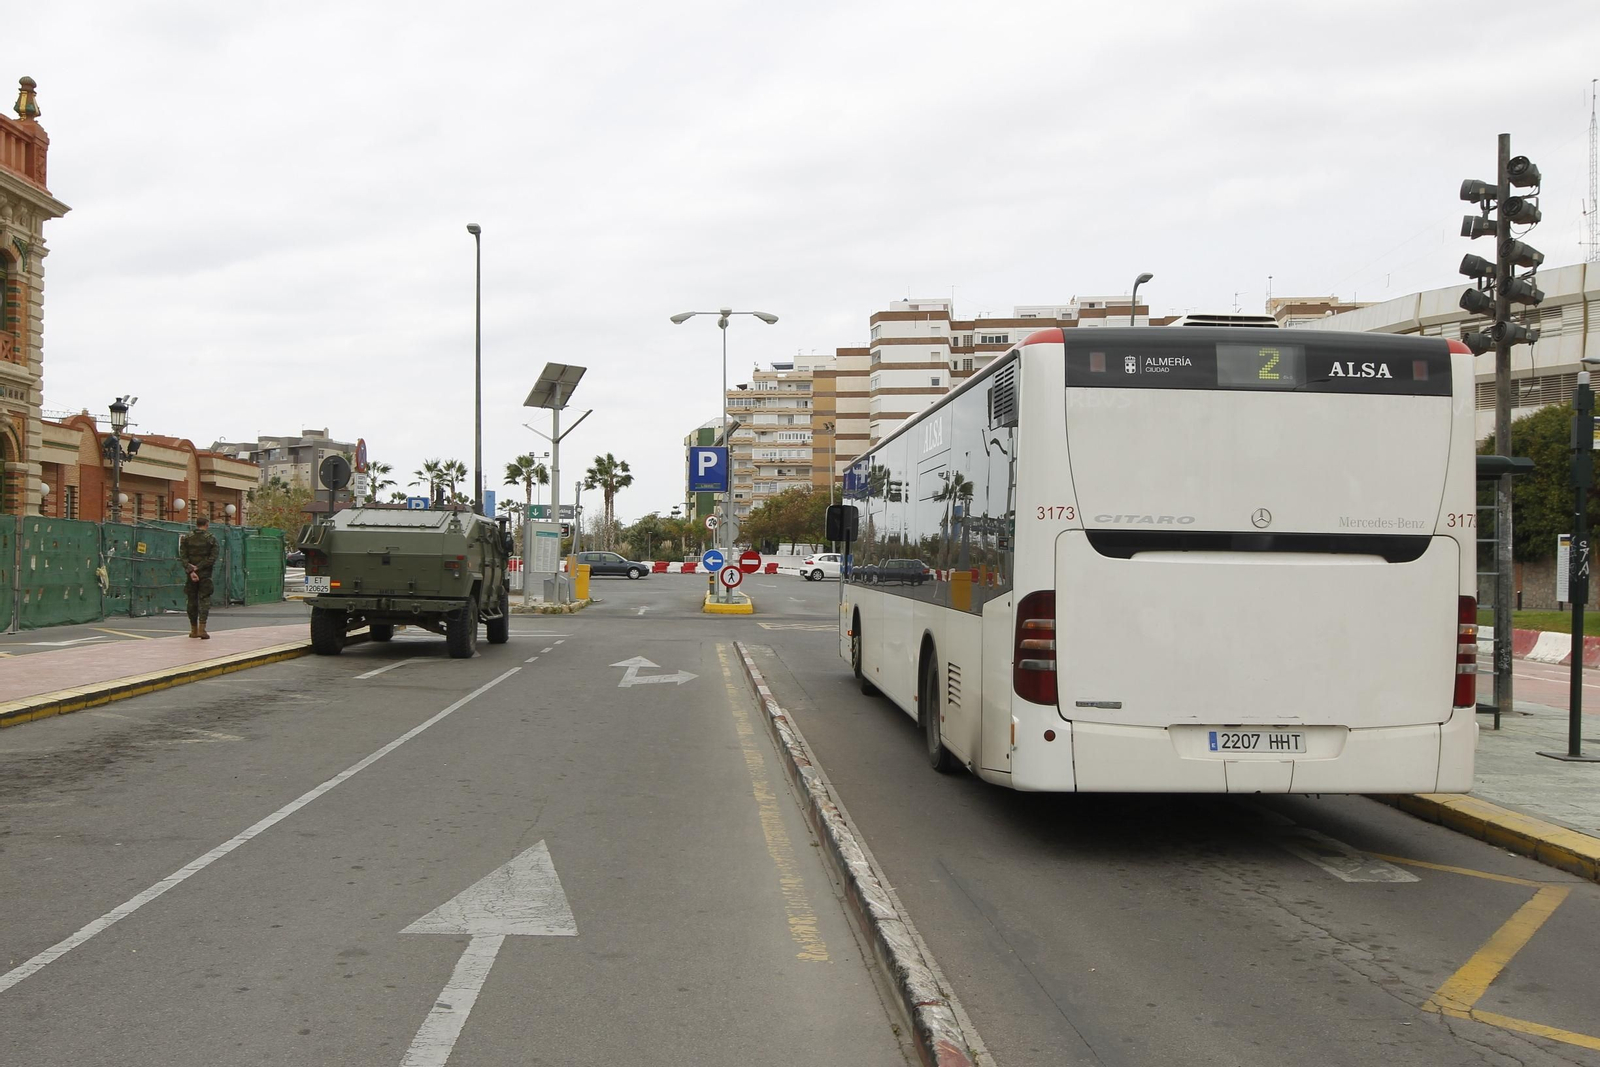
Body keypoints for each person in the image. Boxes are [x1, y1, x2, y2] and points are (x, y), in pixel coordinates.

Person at [179, 515, 220, 639]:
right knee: (204, 600)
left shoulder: (186, 538)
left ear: (196, 524)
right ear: (207, 524)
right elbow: (212, 558)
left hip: (190, 575)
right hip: (205, 574)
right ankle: (202, 628)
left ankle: (193, 630)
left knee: (191, 601)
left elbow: (182, 556)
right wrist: (199, 567)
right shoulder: (211, 539)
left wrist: (191, 570)